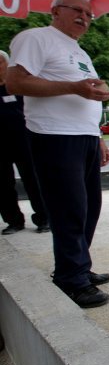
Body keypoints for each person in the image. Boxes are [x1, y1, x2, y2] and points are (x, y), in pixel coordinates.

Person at [6, 0, 109, 309]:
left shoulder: (78, 50)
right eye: (77, 10)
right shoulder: (36, 38)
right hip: (54, 136)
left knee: (89, 208)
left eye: (89, 13)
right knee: (69, 209)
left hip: (84, 137)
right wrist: (74, 87)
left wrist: (98, 136)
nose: (84, 17)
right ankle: (71, 280)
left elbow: (85, 95)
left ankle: (79, 266)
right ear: (55, 11)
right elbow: (15, 82)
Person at [0, 50, 49, 235]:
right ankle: (13, 221)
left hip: (25, 141)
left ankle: (44, 218)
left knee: (34, 181)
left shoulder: (20, 87)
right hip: (1, 145)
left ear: (8, 64)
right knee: (3, 185)